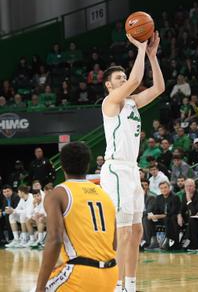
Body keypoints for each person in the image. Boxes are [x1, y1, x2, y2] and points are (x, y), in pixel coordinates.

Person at [100, 32, 165, 292]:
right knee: (124, 232)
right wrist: (139, 48)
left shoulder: (133, 103)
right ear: (108, 85)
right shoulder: (110, 102)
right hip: (115, 169)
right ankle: (117, 285)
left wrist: (152, 55)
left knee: (137, 231)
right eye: (119, 78)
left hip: (132, 169)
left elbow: (159, 88)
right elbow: (138, 78)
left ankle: (131, 285)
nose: (125, 80)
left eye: (124, 77)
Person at [35, 142, 118, 291]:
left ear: (61, 165)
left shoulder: (57, 194)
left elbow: (55, 240)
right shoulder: (104, 195)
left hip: (80, 275)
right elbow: (114, 244)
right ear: (88, 165)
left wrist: (39, 288)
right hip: (111, 275)